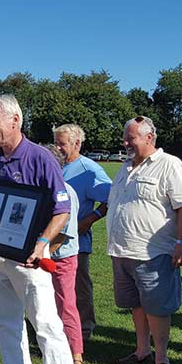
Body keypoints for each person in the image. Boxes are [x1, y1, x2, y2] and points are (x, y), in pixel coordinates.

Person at [0, 94, 86, 364]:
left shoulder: (40, 158)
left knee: (47, 329)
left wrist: (42, 245)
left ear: (15, 120)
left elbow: (62, 209)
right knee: (6, 323)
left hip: (29, 258)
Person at [108, 116, 182, 364]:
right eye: (125, 137)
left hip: (153, 252)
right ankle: (141, 350)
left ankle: (161, 358)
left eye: (130, 138)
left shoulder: (169, 165)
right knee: (136, 305)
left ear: (149, 137)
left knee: (156, 308)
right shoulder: (124, 167)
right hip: (122, 250)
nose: (125, 142)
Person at [53, 124, 111, 342]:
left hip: (75, 243)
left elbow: (111, 197)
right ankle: (57, 331)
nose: (58, 148)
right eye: (56, 142)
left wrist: (90, 218)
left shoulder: (89, 170)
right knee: (54, 291)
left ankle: (84, 331)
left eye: (62, 143)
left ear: (77, 143)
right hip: (50, 241)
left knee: (78, 289)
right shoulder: (55, 165)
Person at [43, 145, 86, 364]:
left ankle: (76, 357)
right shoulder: (43, 188)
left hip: (61, 258)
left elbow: (62, 234)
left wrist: (40, 252)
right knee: (46, 306)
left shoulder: (65, 191)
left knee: (66, 305)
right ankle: (52, 348)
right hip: (44, 257)